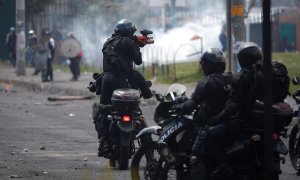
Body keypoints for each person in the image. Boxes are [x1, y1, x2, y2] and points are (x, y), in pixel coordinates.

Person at [171, 48, 234, 179]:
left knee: (196, 148)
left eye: (203, 64)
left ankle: (207, 166)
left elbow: (192, 104)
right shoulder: (231, 78)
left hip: (211, 123)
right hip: (228, 121)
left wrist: (177, 107)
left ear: (208, 65)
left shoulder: (207, 82)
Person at [97, 19, 144, 156]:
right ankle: (147, 146)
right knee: (134, 110)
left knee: (105, 110)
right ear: (129, 32)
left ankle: (104, 142)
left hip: (106, 80)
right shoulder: (129, 42)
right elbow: (138, 61)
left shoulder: (108, 42)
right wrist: (137, 46)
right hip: (120, 80)